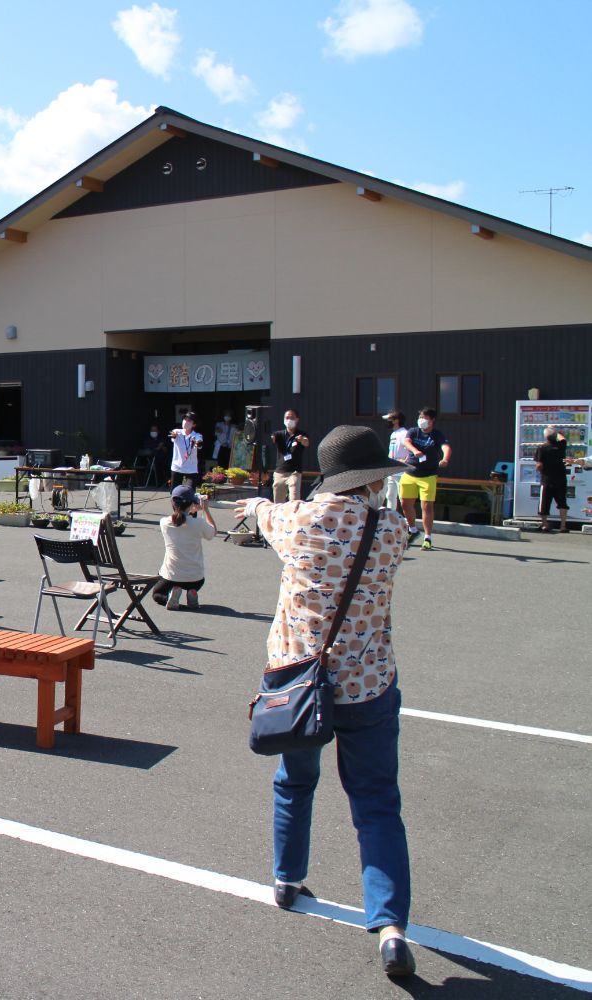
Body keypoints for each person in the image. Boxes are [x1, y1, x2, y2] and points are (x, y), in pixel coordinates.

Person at [238, 425, 414, 979]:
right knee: (377, 803)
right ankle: (389, 928)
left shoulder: (301, 522)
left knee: (295, 782)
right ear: (372, 479)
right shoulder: (393, 529)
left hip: (300, 685)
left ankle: (288, 880)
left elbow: (267, 517)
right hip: (368, 682)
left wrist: (259, 503)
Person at [154, 484, 217, 610]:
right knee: (194, 584)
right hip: (196, 579)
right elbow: (212, 532)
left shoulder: (164, 523)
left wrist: (192, 510)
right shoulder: (199, 523)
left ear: (173, 503)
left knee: (157, 594)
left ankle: (171, 594)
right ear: (192, 503)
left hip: (171, 576)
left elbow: (181, 519)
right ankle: (191, 592)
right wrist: (205, 509)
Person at [398, 407, 450, 550]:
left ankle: (428, 538)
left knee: (426, 506)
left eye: (425, 418)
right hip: (409, 473)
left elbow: (446, 447)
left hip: (428, 476)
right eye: (420, 417)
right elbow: (406, 442)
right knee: (405, 504)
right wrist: (415, 451)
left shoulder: (437, 435)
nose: (422, 420)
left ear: (432, 420)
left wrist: (445, 459)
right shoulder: (413, 431)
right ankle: (413, 529)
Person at [534, 426, 572, 533]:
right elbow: (562, 437)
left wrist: (539, 470)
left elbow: (539, 465)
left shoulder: (542, 448)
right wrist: (555, 431)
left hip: (547, 479)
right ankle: (563, 526)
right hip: (561, 478)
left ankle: (545, 524)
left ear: (545, 437)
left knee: (544, 503)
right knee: (562, 502)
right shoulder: (561, 445)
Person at [270, 411, 310, 503]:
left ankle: (294, 516)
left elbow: (306, 442)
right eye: (287, 418)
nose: (289, 420)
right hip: (280, 471)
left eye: (292, 418)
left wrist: (302, 440)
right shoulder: (279, 434)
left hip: (294, 472)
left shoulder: (301, 434)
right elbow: (271, 438)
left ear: (297, 419)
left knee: (294, 499)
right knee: (278, 502)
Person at [381, 411, 410, 512]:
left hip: (401, 472)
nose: (388, 422)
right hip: (392, 471)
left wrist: (405, 461)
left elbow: (410, 449)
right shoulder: (393, 434)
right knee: (390, 496)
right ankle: (390, 517)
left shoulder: (404, 433)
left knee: (403, 498)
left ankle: (407, 522)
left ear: (396, 420)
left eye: (390, 419)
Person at [168, 412, 203, 488]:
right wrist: (174, 436)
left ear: (194, 425)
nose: (185, 422)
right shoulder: (177, 431)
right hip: (177, 467)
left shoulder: (197, 435)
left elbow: (199, 443)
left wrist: (197, 443)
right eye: (184, 419)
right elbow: (173, 434)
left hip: (191, 468)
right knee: (175, 493)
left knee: (189, 492)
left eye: (189, 421)